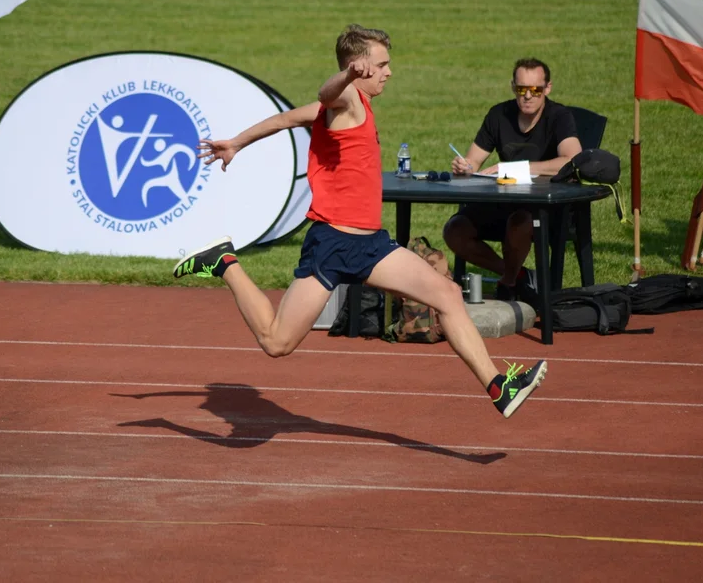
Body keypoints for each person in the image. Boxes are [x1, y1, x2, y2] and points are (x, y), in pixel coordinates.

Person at [171, 25, 546, 419]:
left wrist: (236, 143)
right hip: (332, 245)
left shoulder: (351, 108)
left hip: (370, 246)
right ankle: (224, 261)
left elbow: (285, 119)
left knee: (448, 296)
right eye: (381, 64)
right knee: (276, 342)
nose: (388, 72)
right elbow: (325, 93)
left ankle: (498, 386)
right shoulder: (347, 97)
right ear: (359, 66)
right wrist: (348, 76)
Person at [444, 58, 582, 306]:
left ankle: (508, 283)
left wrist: (520, 168)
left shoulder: (560, 117)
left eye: (535, 90)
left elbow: (572, 160)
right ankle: (517, 275)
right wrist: (465, 167)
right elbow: (474, 161)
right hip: (503, 200)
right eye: (521, 89)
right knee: (454, 230)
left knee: (520, 222)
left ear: (547, 88)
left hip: (544, 207)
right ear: (513, 87)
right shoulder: (499, 115)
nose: (528, 96)